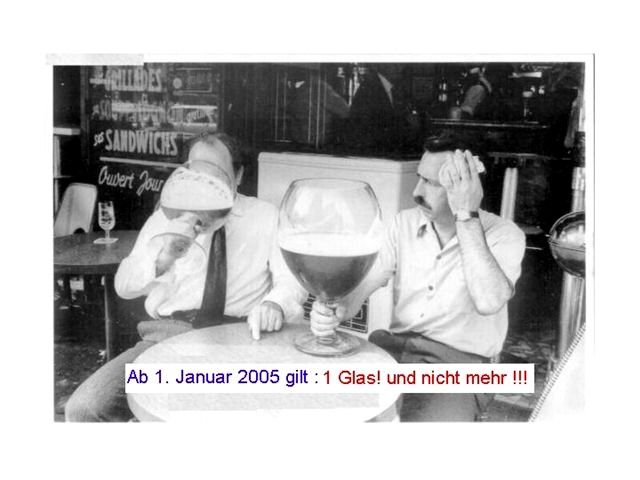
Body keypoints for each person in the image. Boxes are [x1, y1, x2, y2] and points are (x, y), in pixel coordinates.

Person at [65, 132, 306, 422]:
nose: (204, 182)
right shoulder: (164, 218)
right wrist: (165, 256)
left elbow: (292, 280)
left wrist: (274, 304)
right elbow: (123, 286)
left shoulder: (266, 216)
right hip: (169, 339)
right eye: (195, 173)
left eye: (216, 174)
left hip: (238, 339)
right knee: (86, 408)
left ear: (238, 175)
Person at [310, 133, 526, 421]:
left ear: (469, 185)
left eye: (433, 183)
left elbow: (489, 301)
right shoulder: (403, 223)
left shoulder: (505, 235)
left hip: (458, 366)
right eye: (420, 178)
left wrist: (466, 213)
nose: (416, 192)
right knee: (331, 414)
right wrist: (336, 307)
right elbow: (361, 288)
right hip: (392, 350)